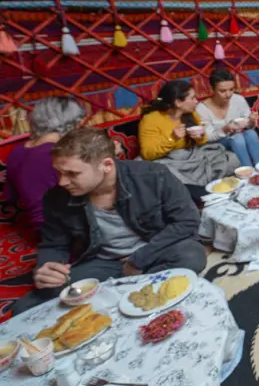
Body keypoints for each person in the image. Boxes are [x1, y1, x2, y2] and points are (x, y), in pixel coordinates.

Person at [12, 128, 206, 314]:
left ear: (107, 165)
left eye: (72, 174)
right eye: (59, 172)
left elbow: (187, 221)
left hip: (154, 250)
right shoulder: (57, 197)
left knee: (191, 254)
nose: (62, 182)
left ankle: (119, 295)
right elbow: (54, 243)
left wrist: (138, 260)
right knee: (25, 307)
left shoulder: (153, 176)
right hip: (103, 262)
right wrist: (47, 268)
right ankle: (128, 292)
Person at [138, 80, 239, 191]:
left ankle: (207, 186)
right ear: (178, 102)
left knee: (231, 158)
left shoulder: (191, 114)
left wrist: (199, 136)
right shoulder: (150, 120)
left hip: (194, 155)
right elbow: (148, 154)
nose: (196, 101)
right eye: (192, 98)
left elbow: (202, 141)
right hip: (170, 161)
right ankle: (200, 191)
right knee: (164, 172)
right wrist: (172, 138)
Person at [4, 97, 85, 229]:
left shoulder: (16, 152)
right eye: (79, 123)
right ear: (71, 124)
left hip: (41, 229)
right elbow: (88, 190)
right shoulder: (60, 153)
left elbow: (10, 196)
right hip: (68, 230)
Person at [196, 68, 259, 167]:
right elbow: (208, 137)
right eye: (222, 91)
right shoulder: (202, 109)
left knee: (251, 133)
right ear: (212, 89)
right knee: (237, 138)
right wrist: (224, 130)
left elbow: (248, 126)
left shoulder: (238, 100)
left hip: (239, 139)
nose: (228, 94)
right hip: (217, 144)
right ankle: (248, 172)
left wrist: (252, 121)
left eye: (231, 89)